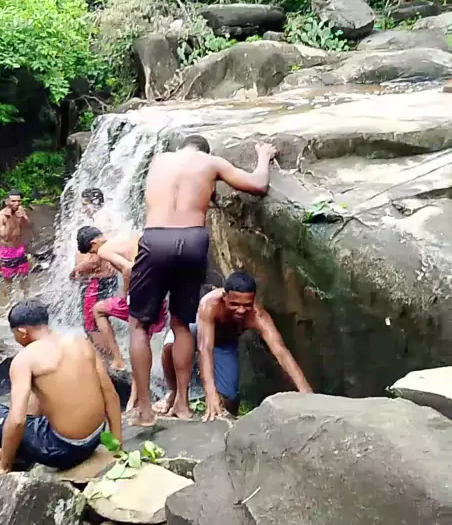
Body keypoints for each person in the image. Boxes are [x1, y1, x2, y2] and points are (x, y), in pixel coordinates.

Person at [127, 134, 277, 426]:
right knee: (181, 323)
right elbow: (258, 185)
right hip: (192, 240)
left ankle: (143, 407)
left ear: (181, 147)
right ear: (205, 151)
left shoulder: (160, 160)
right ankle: (182, 404)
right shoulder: (211, 163)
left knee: (139, 326)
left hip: (155, 239)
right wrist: (264, 156)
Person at [0, 299, 122, 481]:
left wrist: (4, 466)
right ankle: (16, 450)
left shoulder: (25, 359)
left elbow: (17, 420)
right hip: (96, 438)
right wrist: (117, 446)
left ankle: (9, 457)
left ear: (22, 332)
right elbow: (110, 394)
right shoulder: (81, 342)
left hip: (61, 450)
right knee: (36, 392)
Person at [160, 270, 313, 420]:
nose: (241, 310)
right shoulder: (210, 304)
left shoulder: (258, 315)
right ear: (224, 297)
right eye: (234, 304)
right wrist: (210, 392)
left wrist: (307, 393)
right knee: (171, 345)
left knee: (229, 399)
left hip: (224, 344)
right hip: (198, 333)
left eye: (247, 305)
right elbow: (204, 348)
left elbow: (281, 351)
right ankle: (174, 392)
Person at [77, 228, 167, 375]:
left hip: (142, 291)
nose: (95, 255)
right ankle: (151, 370)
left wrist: (126, 294)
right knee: (145, 331)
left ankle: (119, 361)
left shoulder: (103, 249)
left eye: (92, 252)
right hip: (157, 289)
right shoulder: (122, 238)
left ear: (94, 243)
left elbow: (128, 268)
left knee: (98, 310)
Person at [71, 226, 118, 351]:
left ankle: (105, 354)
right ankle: (110, 351)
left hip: (95, 284)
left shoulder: (98, 246)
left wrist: (77, 269)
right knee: (101, 318)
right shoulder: (110, 240)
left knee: (92, 323)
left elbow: (94, 262)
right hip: (108, 282)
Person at [0, 190, 31, 303]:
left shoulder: (20, 210)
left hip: (19, 249)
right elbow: (4, 236)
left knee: (24, 277)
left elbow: (28, 226)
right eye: (13, 201)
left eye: (19, 201)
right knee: (8, 281)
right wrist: (9, 220)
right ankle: (8, 304)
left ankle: (26, 300)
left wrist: (23, 217)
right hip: (7, 252)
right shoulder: (0, 217)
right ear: (7, 202)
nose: (17, 204)